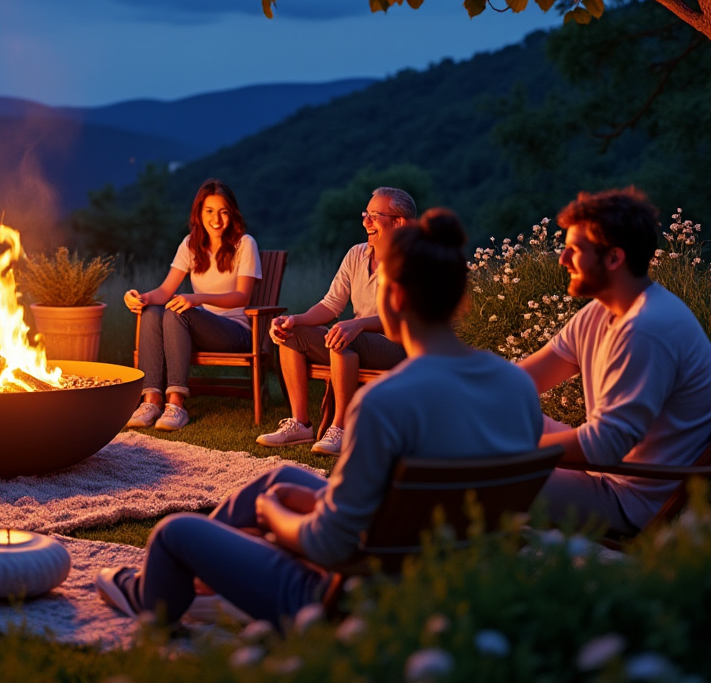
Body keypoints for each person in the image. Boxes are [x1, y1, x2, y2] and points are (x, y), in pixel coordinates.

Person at [96, 210, 543, 627]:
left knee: (177, 531)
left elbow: (328, 544)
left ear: (395, 297)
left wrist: (275, 515)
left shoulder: (385, 402)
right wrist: (296, 499)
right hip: (439, 567)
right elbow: (417, 505)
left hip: (346, 597)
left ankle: (153, 597)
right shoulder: (516, 385)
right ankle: (209, 578)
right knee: (279, 477)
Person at [520, 188, 711, 535]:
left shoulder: (647, 328)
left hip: (626, 499)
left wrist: (499, 450)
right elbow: (522, 382)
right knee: (478, 420)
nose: (563, 259)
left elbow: (603, 447)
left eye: (575, 249)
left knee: (471, 473)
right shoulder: (602, 312)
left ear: (614, 258)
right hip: (603, 474)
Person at [256, 187, 416, 455]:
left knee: (343, 337)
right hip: (355, 340)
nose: (366, 221)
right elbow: (332, 304)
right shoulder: (357, 254)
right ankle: (301, 424)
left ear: (399, 222)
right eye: (366, 214)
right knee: (291, 334)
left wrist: (360, 324)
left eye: (375, 215)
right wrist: (294, 319)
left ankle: (341, 427)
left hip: (397, 347)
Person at [123, 179, 262, 432]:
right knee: (154, 310)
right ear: (199, 212)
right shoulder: (190, 245)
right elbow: (165, 291)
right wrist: (139, 298)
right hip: (198, 329)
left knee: (179, 312)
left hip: (234, 331)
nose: (216, 219)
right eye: (209, 211)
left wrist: (198, 298)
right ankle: (151, 400)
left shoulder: (245, 244)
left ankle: (176, 404)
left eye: (223, 212)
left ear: (232, 213)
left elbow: (242, 296)